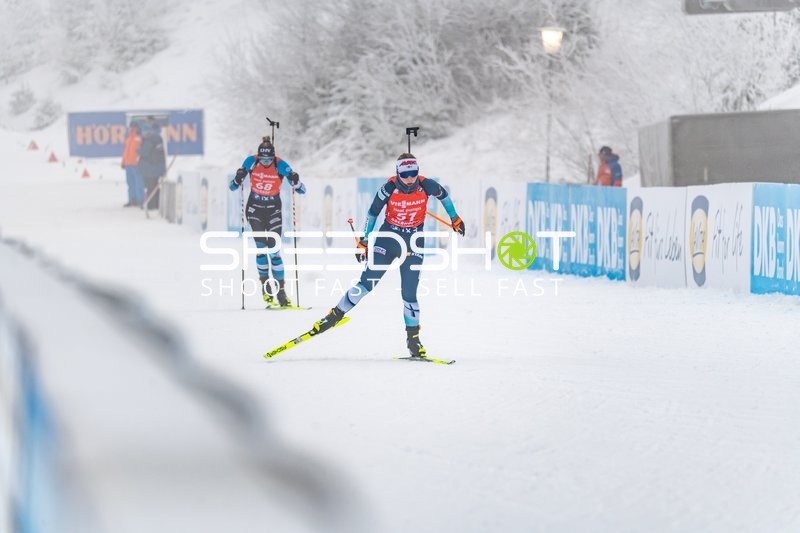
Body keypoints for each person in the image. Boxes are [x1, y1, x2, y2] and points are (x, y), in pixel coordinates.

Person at [311, 153, 465, 358]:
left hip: (413, 241)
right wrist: (364, 240)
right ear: (398, 173)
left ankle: (413, 341)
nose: (409, 178)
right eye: (405, 174)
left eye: (413, 173)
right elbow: (373, 213)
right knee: (367, 283)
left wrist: (455, 218)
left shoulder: (427, 185)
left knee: (409, 293)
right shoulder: (388, 188)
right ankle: (333, 316)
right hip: (388, 239)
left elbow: (443, 196)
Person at [229, 136, 306, 307]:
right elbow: (232, 187)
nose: (265, 163)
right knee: (261, 249)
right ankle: (266, 288)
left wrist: (296, 181)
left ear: (273, 157)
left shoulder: (280, 164)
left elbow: (302, 190)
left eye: (268, 160)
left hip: (273, 209)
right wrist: (237, 178)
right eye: (263, 159)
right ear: (258, 156)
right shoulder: (251, 161)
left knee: (274, 251)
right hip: (254, 208)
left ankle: (281, 293)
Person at [138, 118, 168, 209]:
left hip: (150, 169)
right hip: (157, 168)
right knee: (155, 187)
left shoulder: (149, 140)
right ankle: (156, 204)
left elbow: (144, 152)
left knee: (150, 188)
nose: (143, 135)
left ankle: (151, 205)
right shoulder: (157, 139)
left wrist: (138, 150)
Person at [121, 122, 143, 207]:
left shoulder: (139, 139)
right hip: (128, 164)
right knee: (130, 184)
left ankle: (140, 200)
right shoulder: (128, 139)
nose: (131, 128)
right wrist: (123, 162)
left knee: (138, 184)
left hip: (136, 164)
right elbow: (125, 152)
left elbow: (141, 152)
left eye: (133, 127)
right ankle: (132, 200)